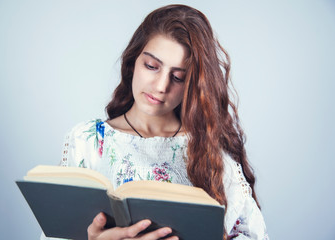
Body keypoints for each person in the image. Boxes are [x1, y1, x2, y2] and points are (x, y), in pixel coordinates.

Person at [41, 4, 269, 240]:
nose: (161, 86)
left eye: (178, 77)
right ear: (133, 62)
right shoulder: (85, 142)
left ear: (193, 85)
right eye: (151, 66)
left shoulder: (210, 150)